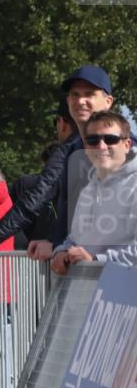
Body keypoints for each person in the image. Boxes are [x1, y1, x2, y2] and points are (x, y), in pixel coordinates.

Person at [0, 66, 115, 262]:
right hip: (85, 267)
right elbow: (35, 201)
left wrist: (65, 245)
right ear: (68, 101)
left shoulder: (127, 147)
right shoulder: (69, 151)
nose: (80, 101)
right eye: (75, 94)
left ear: (108, 102)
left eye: (89, 94)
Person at [52, 110, 137, 273]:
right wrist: (62, 251)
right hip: (89, 290)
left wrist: (96, 261)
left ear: (127, 145)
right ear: (85, 147)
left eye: (111, 139)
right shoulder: (88, 189)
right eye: (93, 140)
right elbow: (75, 239)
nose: (101, 146)